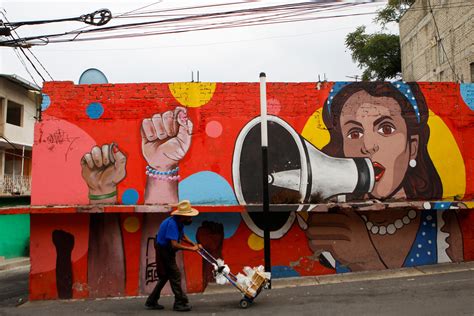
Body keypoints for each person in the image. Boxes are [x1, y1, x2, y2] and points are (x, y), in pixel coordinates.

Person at [306, 82, 463, 271]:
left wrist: (365, 258)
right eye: (354, 133)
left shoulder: (442, 226)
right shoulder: (331, 225)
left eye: (386, 129)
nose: (368, 145)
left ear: (412, 147)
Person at [145, 200, 201, 311]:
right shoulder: (172, 224)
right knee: (175, 275)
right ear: (182, 216)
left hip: (167, 250)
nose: (190, 219)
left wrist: (194, 244)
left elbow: (183, 236)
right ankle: (179, 303)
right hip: (164, 251)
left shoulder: (179, 222)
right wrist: (192, 249)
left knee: (165, 276)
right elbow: (174, 245)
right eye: (189, 217)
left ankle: (151, 301)